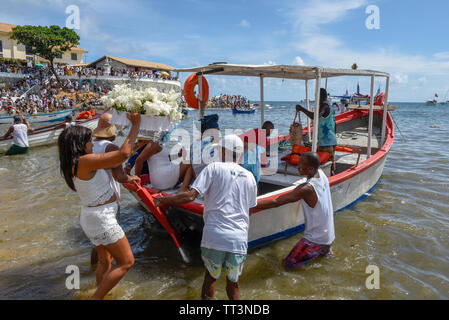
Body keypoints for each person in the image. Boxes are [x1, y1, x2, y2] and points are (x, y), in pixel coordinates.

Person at [155, 134, 258, 300]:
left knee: (210, 279)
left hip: (215, 236)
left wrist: (164, 199)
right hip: (239, 238)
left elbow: (189, 197)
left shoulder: (213, 168)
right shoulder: (249, 177)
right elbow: (250, 209)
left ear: (223, 150)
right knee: (233, 285)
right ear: (239, 154)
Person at [58, 113, 141, 300]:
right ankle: (98, 297)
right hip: (102, 219)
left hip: (92, 217)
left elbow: (118, 160)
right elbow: (123, 154)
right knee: (127, 262)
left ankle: (103, 292)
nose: (92, 144)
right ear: (79, 144)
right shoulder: (85, 161)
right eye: (89, 141)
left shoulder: (76, 162)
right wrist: (136, 125)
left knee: (106, 261)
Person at [253, 152, 335, 268]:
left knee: (288, 265)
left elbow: (276, 202)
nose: (298, 166)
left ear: (311, 169)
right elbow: (300, 189)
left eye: (301, 164)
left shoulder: (307, 188)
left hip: (315, 240)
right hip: (328, 236)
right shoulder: (321, 174)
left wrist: (250, 205)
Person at [296, 88, 338, 175]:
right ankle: (331, 178)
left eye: (316, 96)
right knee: (330, 163)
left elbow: (315, 116)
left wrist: (301, 109)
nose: (316, 98)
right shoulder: (329, 106)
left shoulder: (324, 106)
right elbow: (334, 123)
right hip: (330, 140)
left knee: (325, 164)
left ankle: (329, 181)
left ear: (320, 96)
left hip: (326, 142)